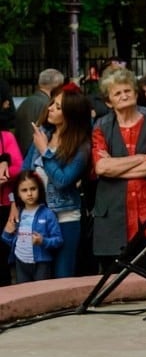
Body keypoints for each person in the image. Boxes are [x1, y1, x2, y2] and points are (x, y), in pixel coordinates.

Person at [91, 68, 146, 271]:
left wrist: (117, 166)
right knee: (117, 274)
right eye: (117, 93)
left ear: (136, 93)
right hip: (115, 213)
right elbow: (101, 168)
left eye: (127, 90)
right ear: (109, 101)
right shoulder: (101, 126)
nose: (124, 95)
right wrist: (140, 158)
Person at [22, 82, 92, 278]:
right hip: (37, 215)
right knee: (39, 274)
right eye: (52, 103)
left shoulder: (81, 146)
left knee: (63, 274)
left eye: (58, 107)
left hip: (65, 217)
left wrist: (46, 152)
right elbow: (25, 172)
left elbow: (63, 181)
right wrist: (14, 205)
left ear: (71, 114)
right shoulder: (43, 135)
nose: (50, 108)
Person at [2, 170, 63, 283]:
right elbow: (11, 241)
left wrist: (43, 241)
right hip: (20, 261)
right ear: (18, 193)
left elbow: (58, 240)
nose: (29, 193)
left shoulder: (47, 214)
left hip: (41, 263)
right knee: (24, 294)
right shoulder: (18, 213)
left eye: (33, 189)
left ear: (39, 190)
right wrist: (6, 233)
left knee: (41, 294)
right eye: (24, 190)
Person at [14, 68, 65, 155]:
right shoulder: (48, 106)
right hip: (36, 155)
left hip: (21, 154)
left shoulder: (25, 102)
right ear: (58, 85)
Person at [0, 125, 23, 284]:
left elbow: (20, 168)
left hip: (5, 208)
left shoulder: (6, 137)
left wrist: (5, 167)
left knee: (3, 261)